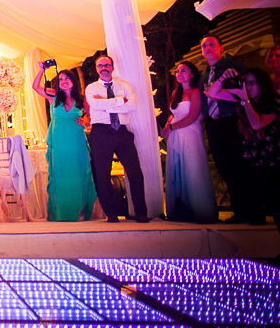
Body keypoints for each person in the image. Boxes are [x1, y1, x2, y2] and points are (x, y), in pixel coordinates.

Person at [208, 67, 278, 232]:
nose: (248, 87)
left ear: (262, 84)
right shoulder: (244, 100)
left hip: (274, 156)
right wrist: (223, 78)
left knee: (276, 200)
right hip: (256, 156)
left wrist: (245, 99)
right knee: (266, 196)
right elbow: (212, 93)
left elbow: (257, 124)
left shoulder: (273, 102)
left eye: (252, 83)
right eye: (245, 83)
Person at [85, 55, 150, 223]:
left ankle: (141, 212)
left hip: (122, 132)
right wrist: (120, 101)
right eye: (100, 65)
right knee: (102, 173)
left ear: (112, 67)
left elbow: (132, 106)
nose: (104, 67)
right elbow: (95, 105)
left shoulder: (124, 86)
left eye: (107, 64)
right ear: (97, 69)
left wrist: (105, 104)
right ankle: (111, 214)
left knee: (135, 171)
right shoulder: (91, 88)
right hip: (100, 133)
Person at [32, 64, 96, 221]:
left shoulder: (81, 99)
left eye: (67, 78)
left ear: (73, 81)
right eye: (60, 79)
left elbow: (96, 115)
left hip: (76, 139)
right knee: (61, 174)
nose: (64, 81)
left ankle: (80, 210)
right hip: (59, 140)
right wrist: (41, 71)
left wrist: (86, 123)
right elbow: (35, 87)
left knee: (78, 172)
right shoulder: (53, 96)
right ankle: (60, 210)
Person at [200, 35, 250, 223]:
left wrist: (220, 93)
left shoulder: (234, 68)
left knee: (241, 166)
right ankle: (240, 210)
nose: (208, 48)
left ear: (221, 47)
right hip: (213, 124)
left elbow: (245, 94)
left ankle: (253, 211)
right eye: (204, 45)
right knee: (224, 167)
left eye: (212, 44)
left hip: (233, 121)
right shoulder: (204, 75)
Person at [160, 61, 218, 223]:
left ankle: (201, 211)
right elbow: (174, 114)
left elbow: (192, 117)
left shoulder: (195, 92)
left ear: (192, 74)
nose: (180, 73)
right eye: (178, 71)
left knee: (193, 169)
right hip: (175, 136)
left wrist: (171, 128)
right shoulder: (175, 93)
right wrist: (167, 125)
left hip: (190, 134)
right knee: (178, 170)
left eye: (184, 70)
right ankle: (180, 211)